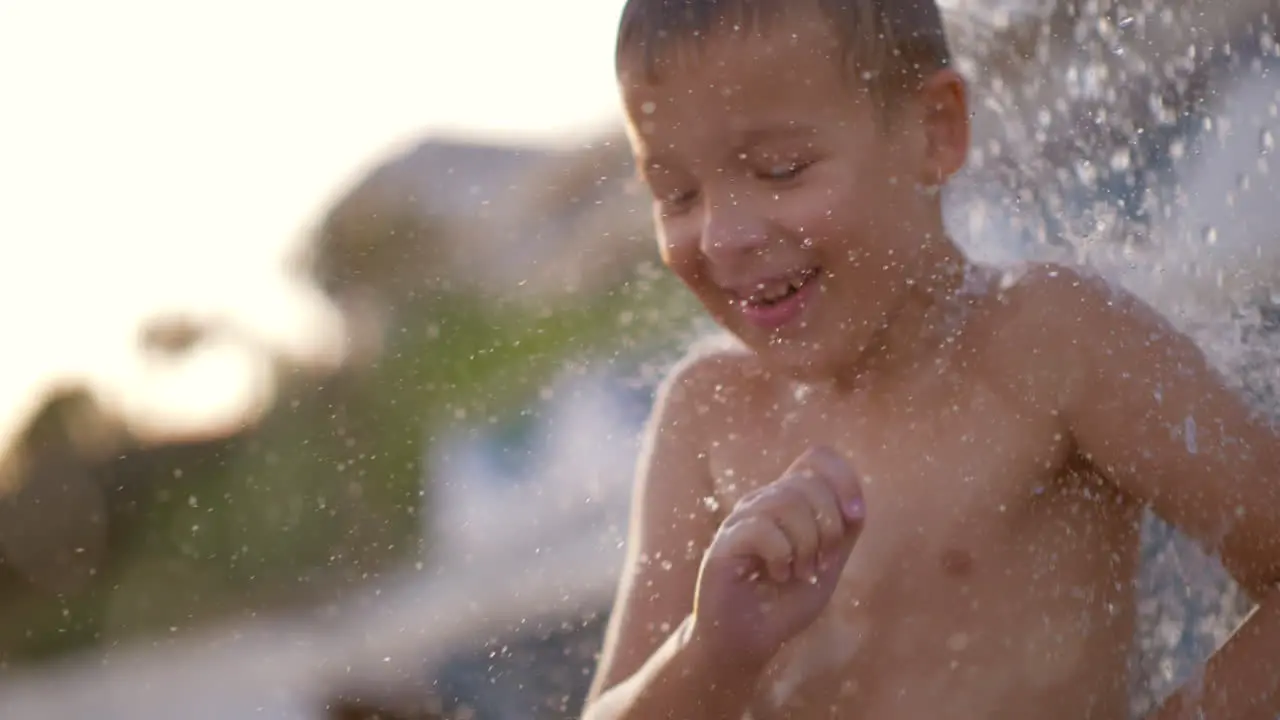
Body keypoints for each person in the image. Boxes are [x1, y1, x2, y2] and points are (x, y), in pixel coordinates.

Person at [581, 1, 1280, 718]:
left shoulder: (1051, 346)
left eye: (780, 169)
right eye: (677, 194)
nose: (723, 236)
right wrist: (711, 652)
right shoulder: (707, 414)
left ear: (933, 131)